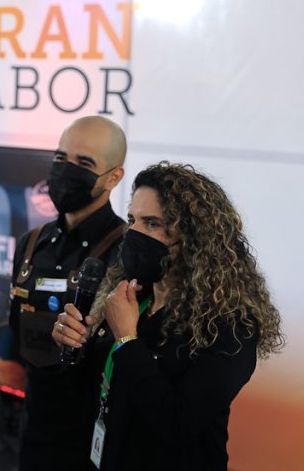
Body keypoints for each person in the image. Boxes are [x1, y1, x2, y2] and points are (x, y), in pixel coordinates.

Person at [52, 161, 285, 470]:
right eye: (132, 220)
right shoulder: (131, 298)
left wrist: (127, 340)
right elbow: (93, 394)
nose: (133, 233)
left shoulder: (230, 325)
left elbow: (177, 423)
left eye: (152, 224)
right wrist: (75, 348)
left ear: (194, 237)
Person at [8, 115, 128, 470]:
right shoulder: (31, 244)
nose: (66, 170)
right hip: (35, 427)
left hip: (95, 437)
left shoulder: (126, 254)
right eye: (61, 158)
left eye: (84, 163)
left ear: (113, 178)